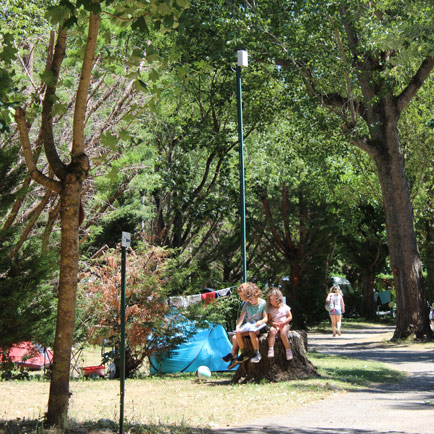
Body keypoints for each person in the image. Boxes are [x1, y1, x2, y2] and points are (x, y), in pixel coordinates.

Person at [226, 282, 268, 367]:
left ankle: (256, 353)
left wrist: (260, 322)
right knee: (238, 333)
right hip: (249, 326)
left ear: (257, 295)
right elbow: (242, 317)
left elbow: (266, 318)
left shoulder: (263, 303)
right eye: (249, 300)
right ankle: (243, 353)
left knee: (252, 333)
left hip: (259, 327)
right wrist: (238, 326)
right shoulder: (247, 304)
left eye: (252, 299)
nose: (251, 301)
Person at [221, 284, 248, 364]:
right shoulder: (244, 303)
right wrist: (238, 326)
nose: (241, 297)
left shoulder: (253, 303)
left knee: (235, 337)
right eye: (240, 295)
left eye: (242, 295)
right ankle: (234, 357)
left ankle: (233, 354)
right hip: (245, 326)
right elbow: (242, 317)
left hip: (253, 327)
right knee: (234, 338)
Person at [266, 288, 293, 360]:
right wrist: (273, 324)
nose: (272, 301)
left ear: (278, 299)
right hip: (275, 325)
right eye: (270, 300)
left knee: (283, 334)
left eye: (274, 299)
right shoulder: (270, 309)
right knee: (272, 332)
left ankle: (288, 350)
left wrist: (284, 322)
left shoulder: (284, 307)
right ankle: (271, 349)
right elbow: (269, 320)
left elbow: (290, 317)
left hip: (284, 324)